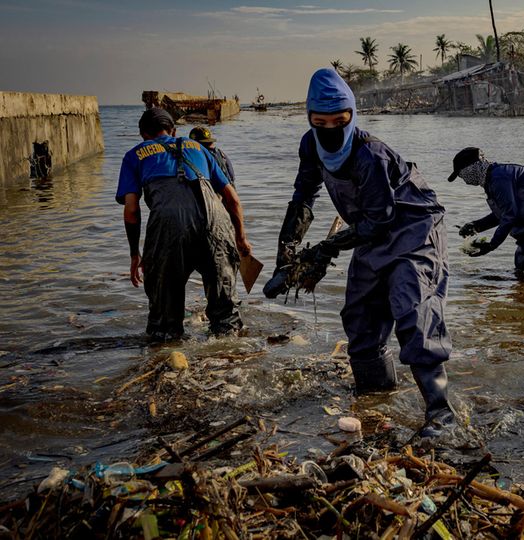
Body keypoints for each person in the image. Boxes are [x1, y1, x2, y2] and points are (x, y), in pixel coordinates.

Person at [266, 68, 454, 437]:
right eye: (320, 121)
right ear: (309, 119)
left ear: (351, 116)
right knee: (360, 318)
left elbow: (380, 220)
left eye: (340, 121)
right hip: (369, 234)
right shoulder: (310, 145)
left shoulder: (371, 155)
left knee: (413, 311)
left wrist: (323, 251)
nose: (330, 129)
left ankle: (440, 414)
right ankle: (375, 400)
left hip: (413, 231)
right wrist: (286, 254)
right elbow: (303, 198)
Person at [117, 108, 251, 340]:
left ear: (143, 135)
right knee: (226, 313)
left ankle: (167, 355)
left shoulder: (134, 155)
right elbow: (232, 199)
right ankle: (231, 356)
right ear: (174, 131)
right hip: (217, 222)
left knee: (165, 320)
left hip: (169, 225)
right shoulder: (198, 147)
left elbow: (131, 210)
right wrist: (240, 239)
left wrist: (134, 254)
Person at [450, 147, 524, 279]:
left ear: (472, 167)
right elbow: (505, 212)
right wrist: (476, 226)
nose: (464, 179)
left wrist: (492, 244)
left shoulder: (498, 177)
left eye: (462, 174)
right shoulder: (493, 178)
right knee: (521, 269)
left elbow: (510, 215)